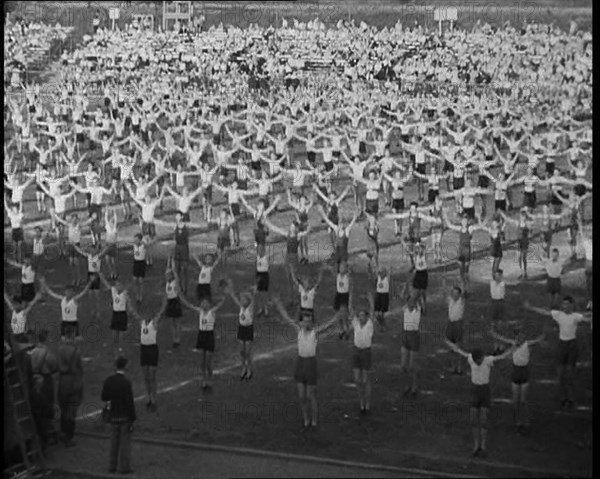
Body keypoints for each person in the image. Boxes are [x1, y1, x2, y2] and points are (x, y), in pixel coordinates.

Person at [272, 297, 337, 431]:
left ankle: (313, 419)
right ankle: (305, 418)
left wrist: (337, 317)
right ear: (301, 322)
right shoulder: (299, 331)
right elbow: (287, 318)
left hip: (310, 364)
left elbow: (329, 325)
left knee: (310, 395)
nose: (306, 323)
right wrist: (279, 306)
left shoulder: (314, 333)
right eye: (304, 320)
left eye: (308, 320)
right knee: (302, 396)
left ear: (311, 323)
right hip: (300, 363)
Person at [444, 340, 514, 457]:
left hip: (483, 392)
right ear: (476, 360)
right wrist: (450, 344)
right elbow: (459, 351)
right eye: (480, 359)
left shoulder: (487, 360)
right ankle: (477, 444)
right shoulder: (473, 359)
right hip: (476, 391)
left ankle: (483, 445)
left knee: (483, 420)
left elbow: (502, 357)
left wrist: (512, 349)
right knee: (473, 420)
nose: (482, 360)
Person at [524, 296, 592, 408]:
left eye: (567, 304)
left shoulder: (575, 316)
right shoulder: (558, 314)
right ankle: (562, 398)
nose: (564, 306)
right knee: (560, 374)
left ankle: (570, 398)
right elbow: (545, 312)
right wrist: (530, 307)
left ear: (571, 305)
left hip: (572, 346)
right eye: (563, 304)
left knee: (569, 373)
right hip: (562, 345)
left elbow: (586, 318)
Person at [489, 327, 545, 435]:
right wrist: (494, 334)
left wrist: (542, 336)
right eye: (518, 337)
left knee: (523, 401)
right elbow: (502, 338)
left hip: (523, 373)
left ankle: (523, 421)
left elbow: (537, 341)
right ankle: (518, 421)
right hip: (517, 373)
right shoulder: (514, 344)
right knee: (516, 401)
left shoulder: (526, 344)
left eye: (522, 337)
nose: (520, 339)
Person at [101, 356, 136, 475]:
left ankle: (112, 466)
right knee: (124, 444)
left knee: (113, 442)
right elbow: (129, 402)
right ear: (125, 366)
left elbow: (104, 397)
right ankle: (124, 467)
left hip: (113, 415)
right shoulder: (126, 383)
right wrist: (133, 418)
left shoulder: (108, 380)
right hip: (125, 416)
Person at [29, 329, 58, 451]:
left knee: (37, 408)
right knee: (47, 406)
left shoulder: (32, 352)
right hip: (45, 380)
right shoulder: (46, 352)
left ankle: (42, 432)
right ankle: (48, 433)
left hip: (34, 378)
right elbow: (54, 366)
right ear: (45, 338)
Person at [57, 324, 84, 448]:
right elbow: (79, 367)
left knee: (63, 408)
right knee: (71, 410)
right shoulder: (76, 351)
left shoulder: (60, 349)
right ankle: (69, 436)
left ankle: (62, 432)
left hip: (62, 380)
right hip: (73, 380)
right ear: (72, 335)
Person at [348, 295, 375, 414]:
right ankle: (361, 402)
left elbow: (373, 311)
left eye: (363, 315)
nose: (361, 317)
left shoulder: (370, 324)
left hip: (366, 352)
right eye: (360, 316)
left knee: (365, 380)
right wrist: (350, 297)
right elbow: (350, 309)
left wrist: (370, 301)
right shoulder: (356, 323)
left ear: (366, 316)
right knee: (357, 379)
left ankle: (367, 403)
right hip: (356, 351)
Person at [227, 280, 258, 381]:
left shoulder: (250, 309)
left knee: (248, 352)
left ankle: (249, 369)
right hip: (241, 329)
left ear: (247, 301)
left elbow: (252, 299)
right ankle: (243, 368)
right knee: (242, 352)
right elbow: (234, 298)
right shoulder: (241, 308)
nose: (241, 301)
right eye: (241, 300)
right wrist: (231, 291)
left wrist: (253, 291)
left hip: (248, 329)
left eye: (243, 300)